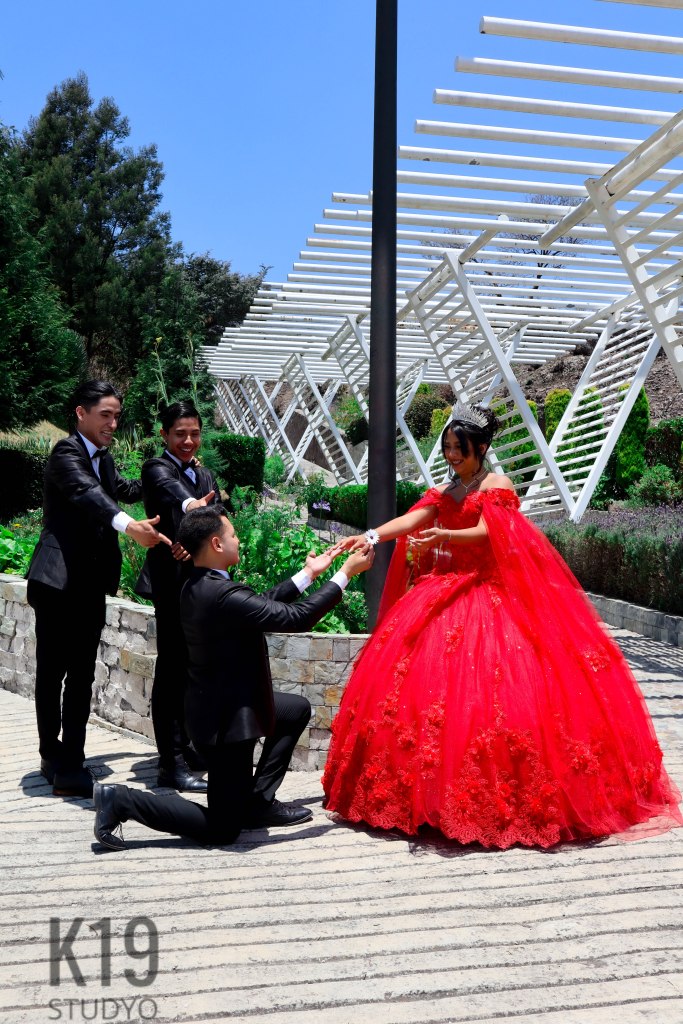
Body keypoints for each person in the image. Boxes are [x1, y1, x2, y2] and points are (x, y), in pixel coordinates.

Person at [323, 401, 683, 849]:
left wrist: (447, 536)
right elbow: (415, 517)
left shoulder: (498, 485)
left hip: (490, 593)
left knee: (504, 692)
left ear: (481, 448)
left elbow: (493, 533)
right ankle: (427, 796)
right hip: (444, 590)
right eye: (448, 448)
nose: (452, 456)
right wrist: (371, 535)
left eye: (459, 449)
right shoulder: (448, 489)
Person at [92, 505, 374, 850]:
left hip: (231, 705)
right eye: (233, 534)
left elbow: (261, 603)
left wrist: (308, 574)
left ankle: (258, 802)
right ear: (216, 544)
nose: (238, 539)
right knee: (223, 828)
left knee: (294, 709)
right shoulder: (218, 593)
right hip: (226, 725)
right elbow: (294, 618)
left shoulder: (201, 583)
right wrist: (345, 574)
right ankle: (121, 800)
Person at [27, 380, 171, 798]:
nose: (112, 423)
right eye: (105, 415)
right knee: (52, 673)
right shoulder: (65, 453)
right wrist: (130, 526)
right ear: (81, 413)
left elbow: (121, 489)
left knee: (82, 674)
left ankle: (72, 759)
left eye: (116, 416)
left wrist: (168, 472)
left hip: (89, 584)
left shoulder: (103, 459)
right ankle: (50, 754)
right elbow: (88, 495)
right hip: (56, 583)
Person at [136, 400, 219, 793]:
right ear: (164, 434)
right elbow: (174, 494)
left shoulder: (204, 474)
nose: (188, 441)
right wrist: (191, 514)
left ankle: (187, 747)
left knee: (192, 669)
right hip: (169, 585)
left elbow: (218, 516)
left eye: (195, 433)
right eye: (180, 434)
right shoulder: (156, 468)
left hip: (200, 584)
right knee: (171, 672)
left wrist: (197, 536)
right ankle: (169, 763)